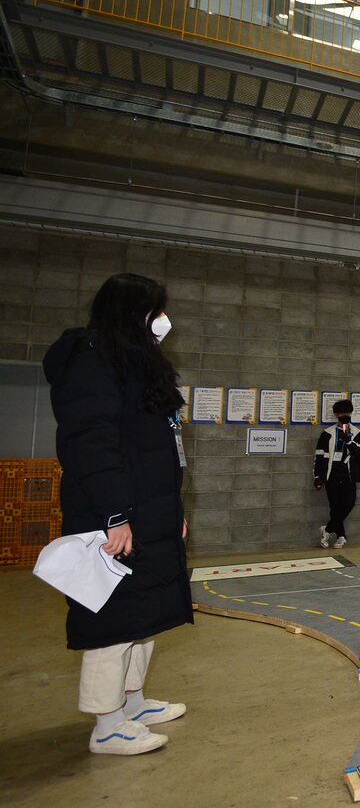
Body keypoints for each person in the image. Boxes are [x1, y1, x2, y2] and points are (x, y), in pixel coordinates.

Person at [42, 273, 192, 756]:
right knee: (113, 614)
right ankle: (106, 724)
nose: (162, 320)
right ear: (132, 310)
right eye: (154, 309)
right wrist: (114, 514)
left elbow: (162, 445)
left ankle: (133, 701)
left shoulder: (141, 362)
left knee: (143, 611)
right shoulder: (93, 358)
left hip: (149, 508)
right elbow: (90, 442)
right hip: (115, 512)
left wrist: (175, 510)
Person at [314, 398, 360, 549]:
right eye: (342, 413)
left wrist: (349, 441)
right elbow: (319, 455)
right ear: (336, 415)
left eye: (347, 413)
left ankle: (328, 529)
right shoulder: (327, 433)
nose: (345, 416)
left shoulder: (357, 433)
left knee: (349, 504)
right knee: (335, 507)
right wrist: (318, 476)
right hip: (331, 475)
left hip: (349, 476)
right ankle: (341, 536)